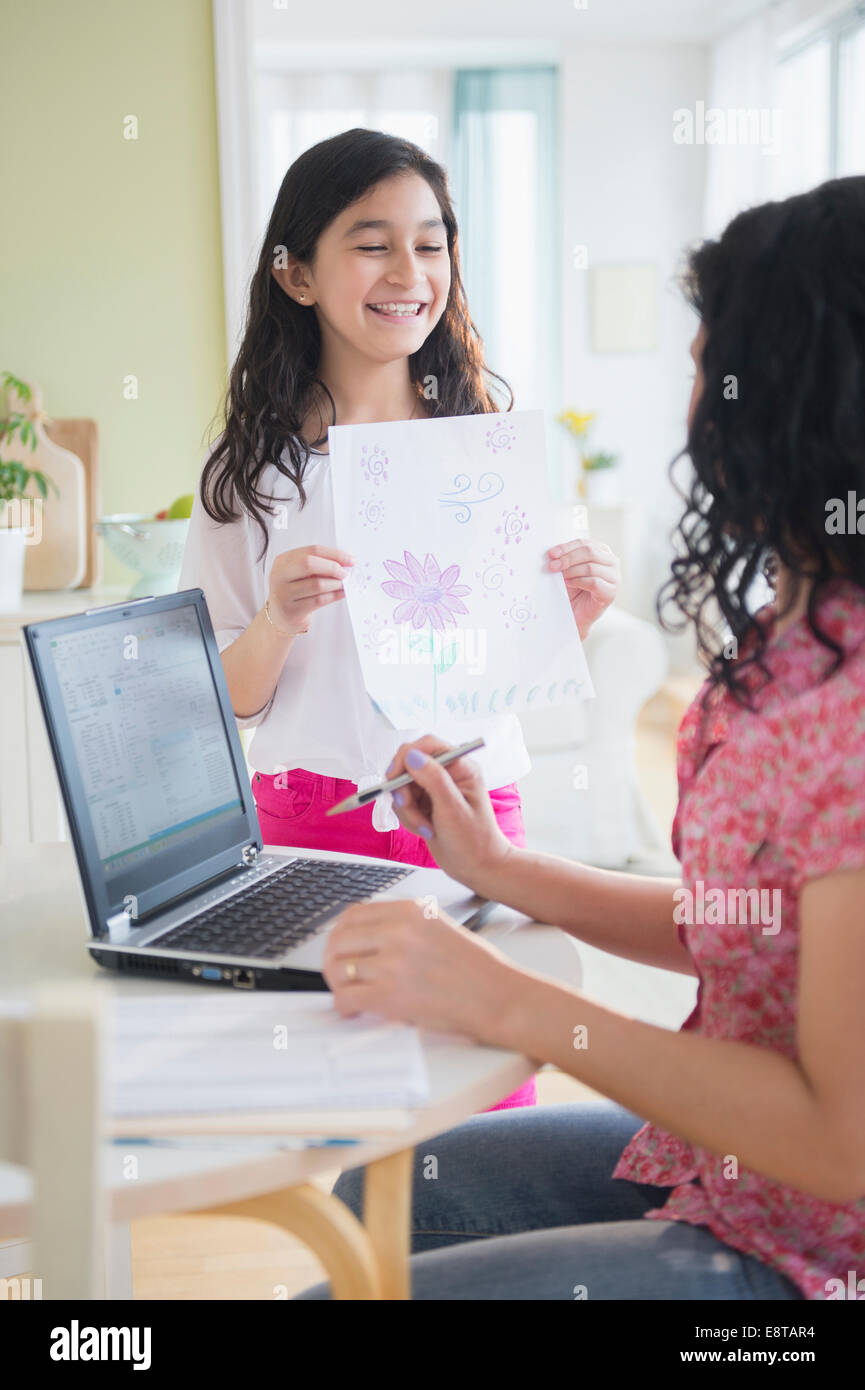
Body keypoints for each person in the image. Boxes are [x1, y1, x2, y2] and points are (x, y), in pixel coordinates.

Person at [297, 176, 865, 1300]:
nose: (698, 399)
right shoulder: (800, 634)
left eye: (711, 363)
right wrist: (505, 872)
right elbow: (749, 928)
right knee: (382, 1193)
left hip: (815, 1255)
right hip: (735, 1178)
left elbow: (839, 1142)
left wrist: (512, 1004)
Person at [179, 128, 619, 1113]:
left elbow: (495, 666)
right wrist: (279, 619)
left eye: (430, 243)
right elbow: (227, 700)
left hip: (470, 808)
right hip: (309, 816)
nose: (408, 271)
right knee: (337, 1088)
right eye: (371, 242)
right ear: (296, 274)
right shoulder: (252, 476)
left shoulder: (481, 451)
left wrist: (568, 618)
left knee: (483, 1079)